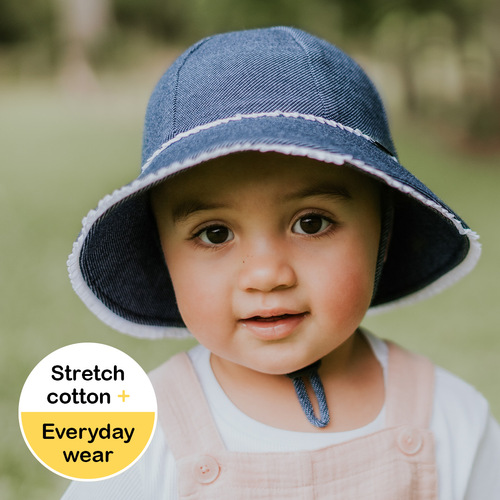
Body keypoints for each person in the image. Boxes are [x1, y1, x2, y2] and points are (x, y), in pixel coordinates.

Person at [62, 26, 500, 499]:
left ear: (384, 233)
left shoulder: (451, 417)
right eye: (215, 233)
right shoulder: (140, 433)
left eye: (311, 223)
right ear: (163, 253)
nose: (267, 274)